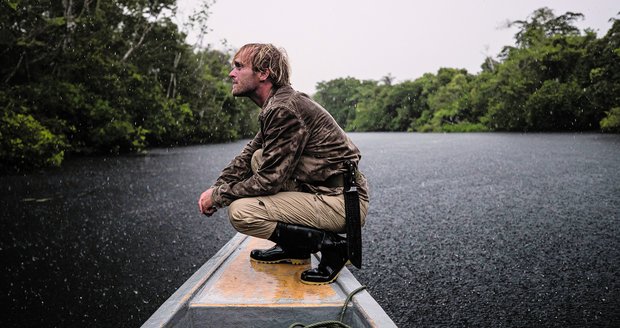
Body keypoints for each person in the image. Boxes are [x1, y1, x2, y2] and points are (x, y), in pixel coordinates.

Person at [198, 43, 369, 285]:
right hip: (321, 190)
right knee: (258, 157)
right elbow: (248, 156)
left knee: (242, 212)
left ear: (263, 73)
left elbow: (269, 181)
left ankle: (334, 248)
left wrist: (218, 196)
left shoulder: (284, 109)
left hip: (342, 202)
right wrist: (218, 186)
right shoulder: (277, 104)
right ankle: (296, 249)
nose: (231, 73)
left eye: (239, 66)